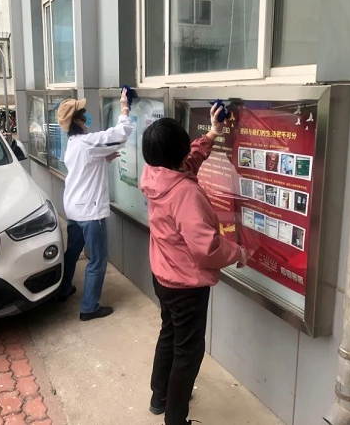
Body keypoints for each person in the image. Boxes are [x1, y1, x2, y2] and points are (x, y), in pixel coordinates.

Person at [140, 104, 247, 425]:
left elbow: (190, 161)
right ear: (181, 149)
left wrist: (213, 132)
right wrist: (238, 253)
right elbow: (207, 248)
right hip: (185, 285)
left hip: (163, 275)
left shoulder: (155, 174)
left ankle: (159, 396)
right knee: (188, 352)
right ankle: (175, 418)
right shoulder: (185, 193)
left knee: (170, 334)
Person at [57, 89, 133, 321]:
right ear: (78, 120)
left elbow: (86, 166)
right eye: (83, 113)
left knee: (73, 252)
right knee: (97, 260)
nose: (87, 116)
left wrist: (104, 159)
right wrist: (124, 108)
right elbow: (120, 135)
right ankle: (89, 308)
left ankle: (63, 289)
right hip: (89, 213)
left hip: (74, 209)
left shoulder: (73, 143)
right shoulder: (87, 142)